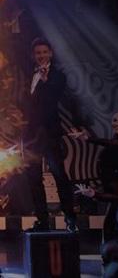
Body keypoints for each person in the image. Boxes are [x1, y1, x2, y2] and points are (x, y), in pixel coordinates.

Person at [22, 38, 78, 233]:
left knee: (59, 174)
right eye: (38, 53)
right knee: (33, 178)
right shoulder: (29, 74)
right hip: (30, 135)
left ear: (51, 53)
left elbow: (54, 97)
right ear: (33, 55)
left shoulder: (58, 76)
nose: (41, 56)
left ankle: (70, 218)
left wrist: (46, 81)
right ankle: (42, 220)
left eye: (44, 52)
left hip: (49, 132)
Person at [70, 109, 118, 242]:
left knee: (112, 224)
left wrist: (89, 139)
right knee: (112, 224)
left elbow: (112, 144)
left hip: (116, 187)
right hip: (111, 186)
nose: (116, 124)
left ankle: (113, 250)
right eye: (115, 120)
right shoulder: (116, 141)